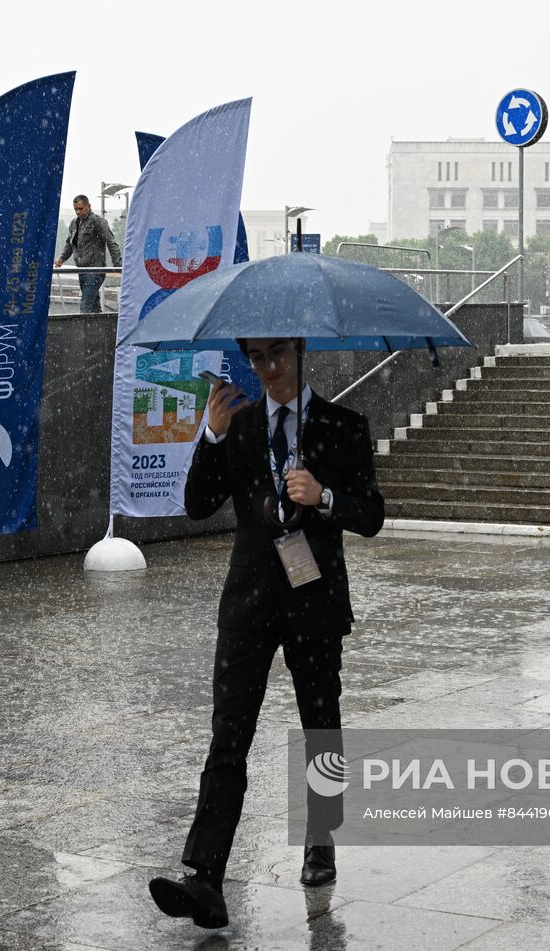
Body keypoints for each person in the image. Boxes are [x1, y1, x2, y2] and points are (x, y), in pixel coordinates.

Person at [148, 337, 385, 930]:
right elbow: (198, 504)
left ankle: (320, 838)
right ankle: (205, 876)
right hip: (249, 605)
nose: (268, 369)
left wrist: (324, 496)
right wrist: (213, 435)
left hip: (313, 603)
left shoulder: (342, 425)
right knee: (228, 736)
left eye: (278, 355)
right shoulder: (242, 424)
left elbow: (373, 515)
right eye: (256, 358)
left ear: (301, 352)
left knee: (319, 724)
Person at [53, 194, 121, 313]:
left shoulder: (98, 221)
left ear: (88, 206)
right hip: (82, 271)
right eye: (76, 209)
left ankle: (83, 331)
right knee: (94, 307)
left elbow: (111, 242)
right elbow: (69, 244)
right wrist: (61, 258)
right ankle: (101, 330)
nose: (78, 212)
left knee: (85, 307)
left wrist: (118, 265)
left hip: (95, 270)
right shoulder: (74, 223)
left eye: (80, 208)